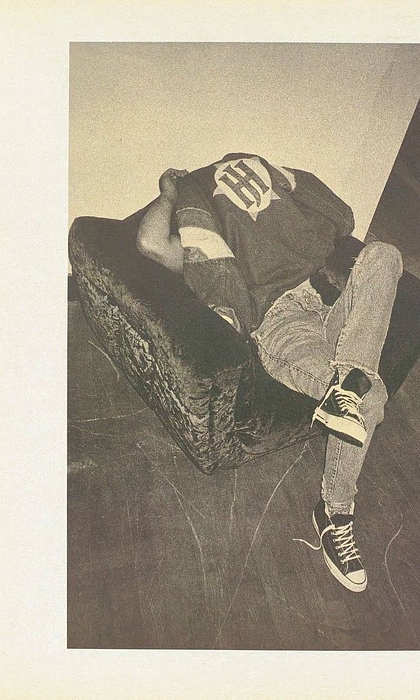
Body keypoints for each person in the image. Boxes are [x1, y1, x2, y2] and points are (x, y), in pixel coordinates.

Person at [137, 155, 403, 593]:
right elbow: (150, 244)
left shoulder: (271, 207)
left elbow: (340, 215)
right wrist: (168, 194)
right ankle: (334, 513)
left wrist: (282, 176)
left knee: (384, 254)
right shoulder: (200, 232)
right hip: (277, 328)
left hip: (320, 305)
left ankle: (349, 382)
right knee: (372, 399)